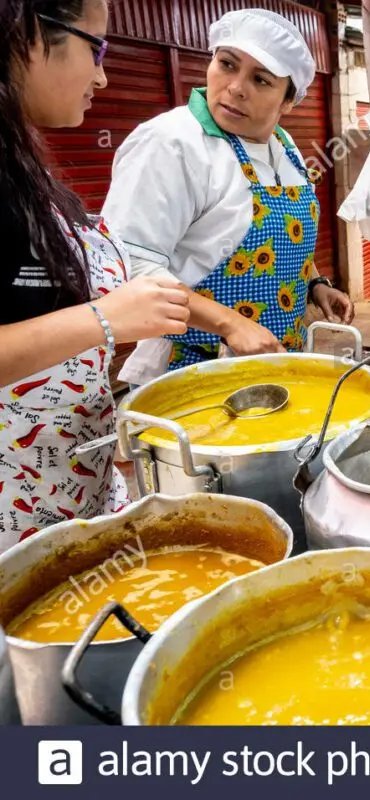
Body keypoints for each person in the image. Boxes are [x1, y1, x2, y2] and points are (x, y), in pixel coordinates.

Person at [0, 0, 191, 551]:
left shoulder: (20, 160)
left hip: (71, 497)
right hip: (16, 525)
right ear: (32, 32)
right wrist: (104, 318)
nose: (103, 75)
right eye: (96, 47)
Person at [102, 8, 355, 384]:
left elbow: (281, 235)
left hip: (279, 359)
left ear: (289, 102)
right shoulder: (171, 144)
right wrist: (230, 325)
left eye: (261, 79)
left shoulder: (284, 146)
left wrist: (315, 283)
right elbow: (129, 266)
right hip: (194, 370)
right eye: (227, 64)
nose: (236, 87)